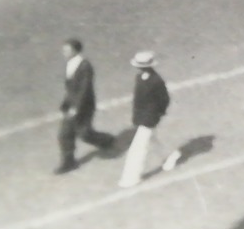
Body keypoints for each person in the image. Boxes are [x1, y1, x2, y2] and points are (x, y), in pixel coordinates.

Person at [55, 38, 115, 174]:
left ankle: (106, 140)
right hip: (72, 105)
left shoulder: (84, 66)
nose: (63, 52)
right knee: (65, 134)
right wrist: (67, 103)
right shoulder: (71, 64)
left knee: (84, 134)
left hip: (83, 106)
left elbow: (85, 89)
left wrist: (76, 108)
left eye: (66, 50)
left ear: (75, 50)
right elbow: (70, 88)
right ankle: (68, 162)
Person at [118, 50, 171, 189]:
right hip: (141, 117)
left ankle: (131, 177)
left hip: (150, 118)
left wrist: (158, 114)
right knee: (152, 140)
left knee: (138, 148)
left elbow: (164, 99)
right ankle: (168, 158)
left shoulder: (156, 80)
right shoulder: (140, 78)